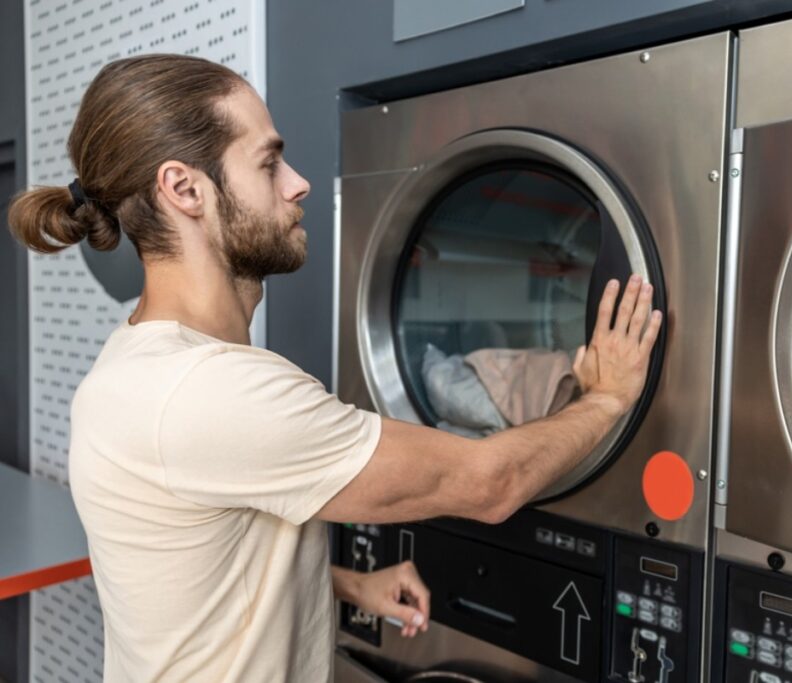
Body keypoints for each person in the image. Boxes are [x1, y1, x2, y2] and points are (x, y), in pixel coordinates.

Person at [7, 55, 662, 683]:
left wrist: (348, 584)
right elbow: (490, 482)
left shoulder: (133, 363)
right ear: (185, 189)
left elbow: (199, 567)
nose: (298, 183)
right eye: (269, 163)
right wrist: (605, 398)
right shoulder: (215, 392)